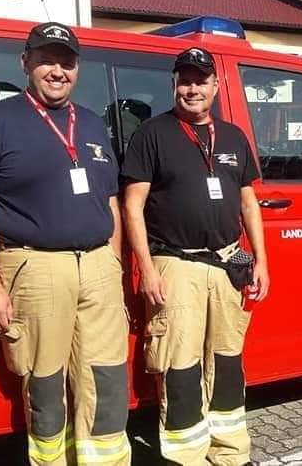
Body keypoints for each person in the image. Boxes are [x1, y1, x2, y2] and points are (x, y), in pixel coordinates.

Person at [0, 22, 130, 465]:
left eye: (67, 61)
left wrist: (112, 264)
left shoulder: (90, 122)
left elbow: (109, 200)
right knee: (46, 386)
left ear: (78, 68)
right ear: (26, 63)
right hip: (35, 268)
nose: (58, 70)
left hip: (97, 267)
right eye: (47, 59)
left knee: (107, 381)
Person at [122, 46, 270, 465]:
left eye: (200, 80)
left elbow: (248, 203)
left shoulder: (234, 136)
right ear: (174, 84)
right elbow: (132, 206)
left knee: (227, 362)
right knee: (181, 366)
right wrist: (147, 270)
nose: (192, 88)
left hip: (227, 262)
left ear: (215, 85)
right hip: (177, 264)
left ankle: (229, 454)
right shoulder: (152, 134)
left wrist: (260, 259)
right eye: (184, 80)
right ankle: (185, 457)